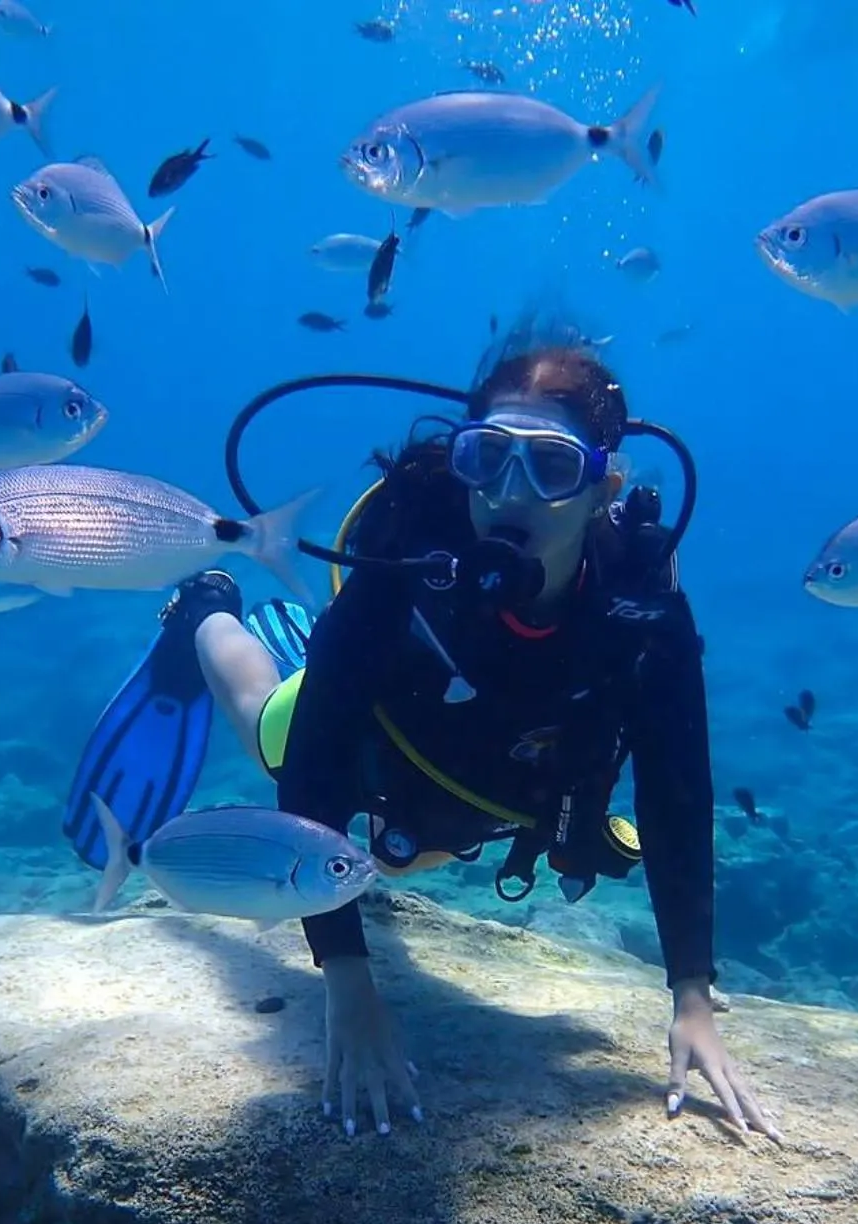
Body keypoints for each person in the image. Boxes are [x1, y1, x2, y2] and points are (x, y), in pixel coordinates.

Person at [63, 324, 780, 1143]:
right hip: (382, 740)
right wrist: (346, 984)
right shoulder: (408, 554)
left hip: (500, 787)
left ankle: (280, 638)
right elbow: (314, 769)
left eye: (550, 467)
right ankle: (207, 611)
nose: (509, 494)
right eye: (487, 459)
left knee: (406, 855)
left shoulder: (642, 608)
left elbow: (678, 794)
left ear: (601, 487)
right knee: (268, 724)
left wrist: (692, 994)